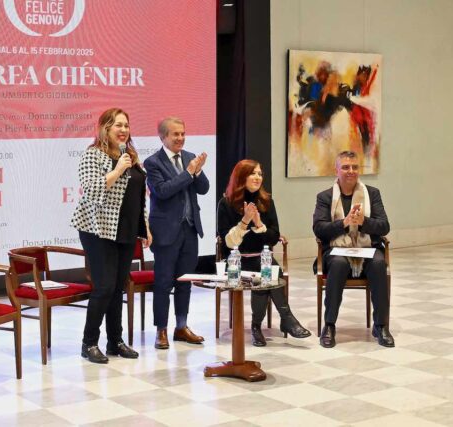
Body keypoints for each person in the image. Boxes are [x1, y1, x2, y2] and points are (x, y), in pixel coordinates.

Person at [71, 108, 151, 364]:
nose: (123, 129)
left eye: (126, 125)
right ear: (105, 128)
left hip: (126, 229)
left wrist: (145, 226)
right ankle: (89, 343)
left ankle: (115, 341)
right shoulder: (92, 155)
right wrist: (117, 170)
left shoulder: (131, 155)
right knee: (104, 286)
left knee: (118, 287)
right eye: (118, 125)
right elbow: (92, 191)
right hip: (97, 229)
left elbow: (139, 197)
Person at [217, 160, 311, 346]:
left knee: (269, 272)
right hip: (237, 261)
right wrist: (245, 222)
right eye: (253, 173)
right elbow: (228, 242)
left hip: (262, 257)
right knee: (266, 275)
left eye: (260, 173)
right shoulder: (226, 203)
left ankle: (259, 325)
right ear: (241, 177)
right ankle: (284, 320)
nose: (258, 177)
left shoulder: (267, 201)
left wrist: (259, 225)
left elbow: (273, 237)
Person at [313, 150, 393, 348]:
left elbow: (384, 226)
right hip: (336, 251)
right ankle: (329, 325)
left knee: (378, 263)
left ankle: (381, 325)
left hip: (366, 250)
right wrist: (344, 223)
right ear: (337, 170)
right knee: (339, 264)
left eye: (355, 167)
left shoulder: (372, 194)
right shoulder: (325, 197)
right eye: (346, 167)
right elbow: (319, 229)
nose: (351, 171)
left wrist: (363, 222)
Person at [144, 117, 209, 350]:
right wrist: (188, 174)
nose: (180, 138)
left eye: (182, 133)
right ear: (163, 137)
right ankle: (160, 330)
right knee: (163, 283)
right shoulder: (152, 162)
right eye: (175, 134)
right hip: (165, 232)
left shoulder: (190, 158)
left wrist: (197, 173)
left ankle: (181, 327)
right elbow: (162, 192)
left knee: (185, 281)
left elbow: (204, 189)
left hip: (189, 229)